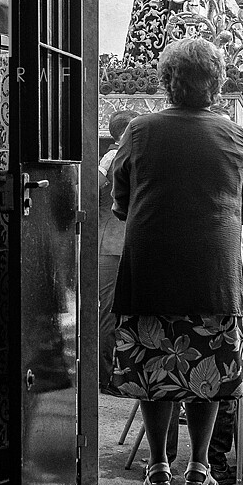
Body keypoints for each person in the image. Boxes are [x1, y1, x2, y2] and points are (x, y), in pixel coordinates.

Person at [110, 36, 243, 485]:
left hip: (150, 268)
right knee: (207, 371)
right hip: (212, 271)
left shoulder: (139, 130)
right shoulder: (235, 136)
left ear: (166, 81)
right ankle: (198, 474)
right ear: (215, 85)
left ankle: (156, 474)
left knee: (155, 369)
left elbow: (121, 203)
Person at [166, 194, 243, 485]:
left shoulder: (193, 198)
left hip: (180, 292)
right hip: (226, 295)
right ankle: (213, 463)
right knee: (223, 379)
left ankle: (161, 463)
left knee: (170, 375)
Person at [98, 111, 141, 392]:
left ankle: (116, 374)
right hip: (113, 242)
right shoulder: (112, 159)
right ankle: (103, 377)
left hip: (123, 241)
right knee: (109, 313)